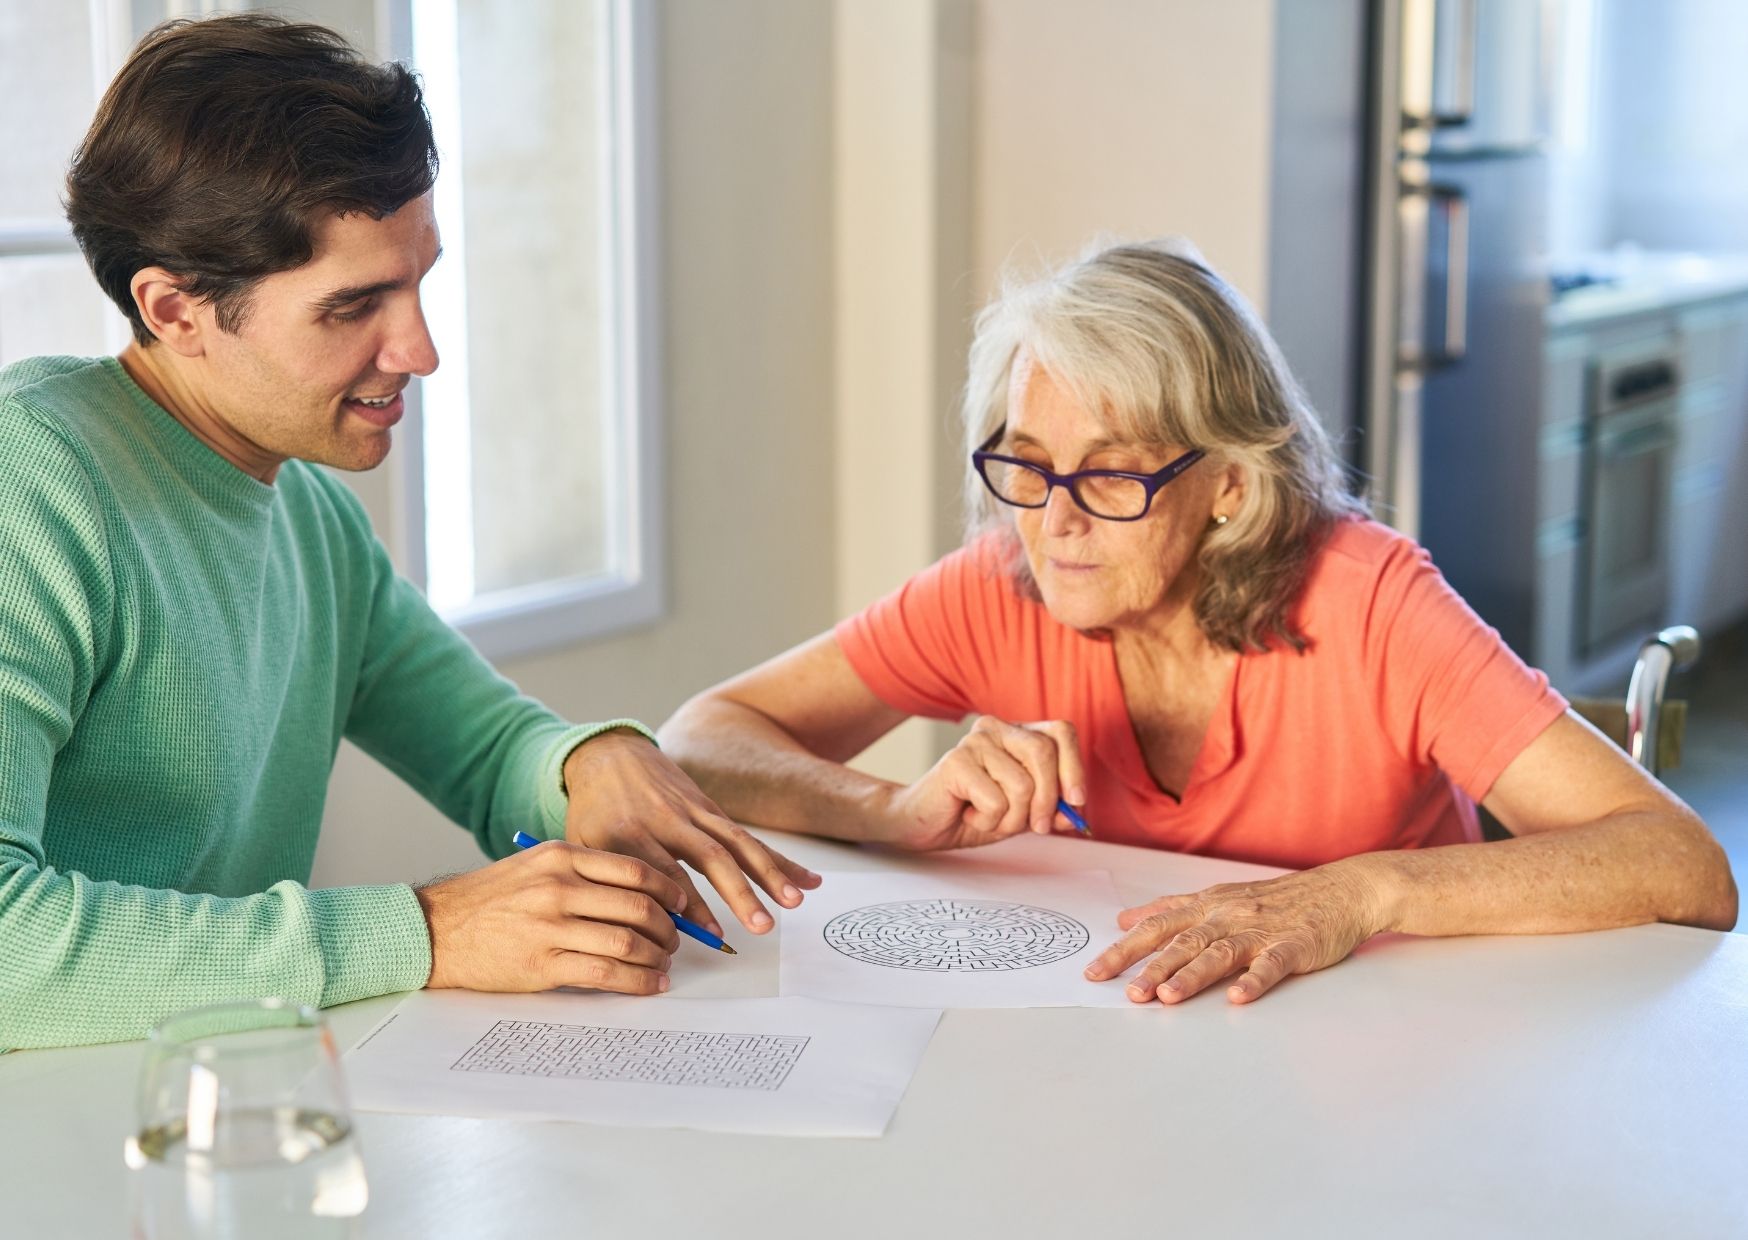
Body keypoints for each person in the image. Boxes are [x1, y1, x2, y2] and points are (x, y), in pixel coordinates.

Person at [0, 14, 817, 1052]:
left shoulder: (310, 515)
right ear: (176, 311)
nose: (420, 350)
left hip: (219, 1088)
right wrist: (427, 930)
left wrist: (586, 763)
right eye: (353, 307)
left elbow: (486, 748)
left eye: (419, 279)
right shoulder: (31, 486)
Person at [660, 238, 1738, 1007]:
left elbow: (1682, 865)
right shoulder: (1002, 580)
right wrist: (890, 811)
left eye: (1112, 474)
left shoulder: (1368, 599)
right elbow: (700, 740)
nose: (1057, 521)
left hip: (1388, 1061)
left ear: (1227, 483)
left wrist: (1359, 891)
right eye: (1027, 466)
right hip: (1133, 1049)